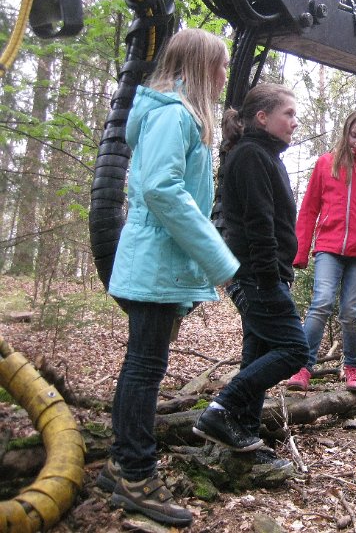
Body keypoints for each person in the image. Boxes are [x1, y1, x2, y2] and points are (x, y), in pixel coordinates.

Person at [100, 28, 240, 527]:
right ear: (201, 67)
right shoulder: (174, 115)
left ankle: (121, 461)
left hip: (160, 262)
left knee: (143, 364)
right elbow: (162, 189)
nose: (225, 75)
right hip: (156, 261)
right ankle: (136, 474)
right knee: (144, 367)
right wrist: (218, 260)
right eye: (220, 66)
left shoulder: (177, 116)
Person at [192, 83, 309, 469]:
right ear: (263, 118)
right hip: (258, 275)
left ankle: (242, 439)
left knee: (257, 355)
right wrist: (267, 277)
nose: (295, 121)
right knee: (295, 351)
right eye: (288, 114)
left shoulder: (263, 154)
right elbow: (259, 223)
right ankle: (221, 408)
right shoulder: (251, 156)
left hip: (264, 273)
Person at [285, 109, 356, 392]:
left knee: (350, 310)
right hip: (329, 247)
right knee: (321, 303)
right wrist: (299, 252)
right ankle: (302, 366)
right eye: (354, 135)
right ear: (346, 131)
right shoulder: (326, 164)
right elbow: (309, 209)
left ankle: (353, 366)